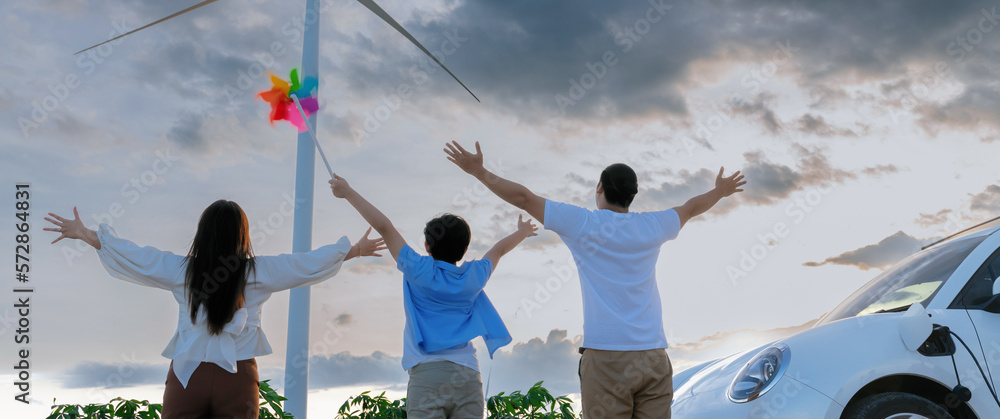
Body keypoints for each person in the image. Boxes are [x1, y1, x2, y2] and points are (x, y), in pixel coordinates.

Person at [443, 140, 746, 419]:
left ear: (600, 187)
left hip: (607, 359)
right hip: (653, 356)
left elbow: (524, 198)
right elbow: (691, 207)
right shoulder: (654, 225)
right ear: (632, 195)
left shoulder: (584, 224)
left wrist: (480, 172)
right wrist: (720, 191)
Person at [44, 201, 385, 419]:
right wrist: (353, 250)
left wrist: (87, 234)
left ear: (202, 234)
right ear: (243, 235)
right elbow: (303, 264)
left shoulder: (181, 271)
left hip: (186, 376)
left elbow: (138, 256)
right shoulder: (260, 272)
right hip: (237, 377)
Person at [328, 173, 536, 419]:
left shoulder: (418, 269)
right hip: (467, 375)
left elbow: (385, 227)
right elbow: (498, 250)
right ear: (464, 248)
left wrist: (347, 192)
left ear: (427, 245)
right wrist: (522, 232)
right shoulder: (474, 276)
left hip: (427, 376)